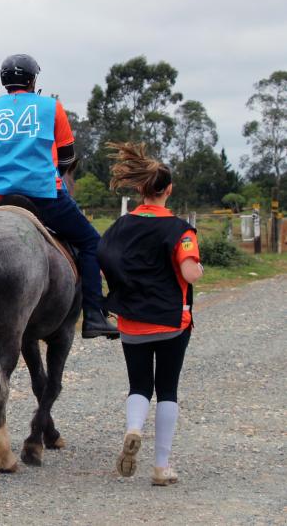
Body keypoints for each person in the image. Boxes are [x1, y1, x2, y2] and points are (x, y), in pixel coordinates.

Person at [0, 54, 118, 339]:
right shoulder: (50, 107)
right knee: (91, 243)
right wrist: (52, 175)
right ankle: (94, 315)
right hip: (43, 195)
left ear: (4, 81)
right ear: (32, 79)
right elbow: (67, 157)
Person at [96, 142, 203, 486]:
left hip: (131, 322)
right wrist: (199, 268)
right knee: (167, 389)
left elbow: (102, 259)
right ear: (168, 190)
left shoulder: (120, 226)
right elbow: (189, 273)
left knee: (139, 385)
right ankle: (161, 467)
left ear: (140, 189)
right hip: (171, 322)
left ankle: (133, 428)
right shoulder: (180, 229)